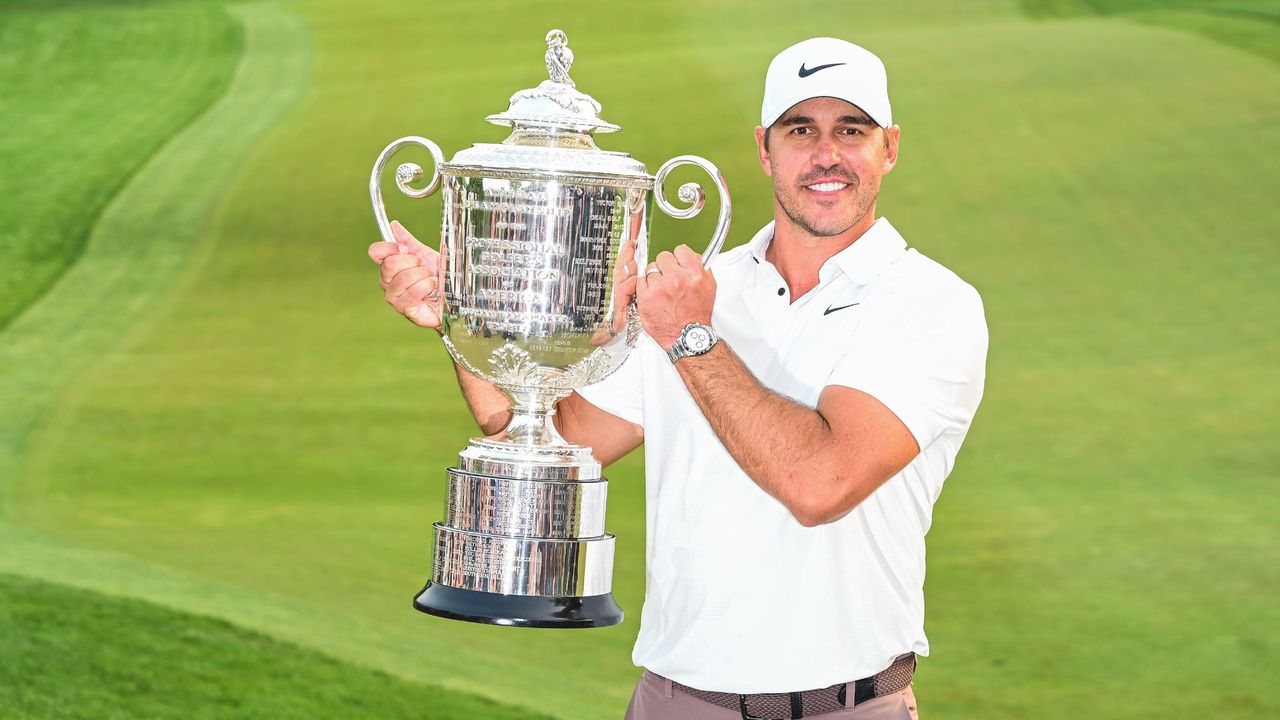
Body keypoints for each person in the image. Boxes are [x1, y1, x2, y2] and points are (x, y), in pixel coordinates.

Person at [370, 36, 987, 720]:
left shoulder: (929, 303)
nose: (826, 156)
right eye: (800, 130)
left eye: (852, 130)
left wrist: (691, 338)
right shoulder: (700, 289)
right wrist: (463, 321)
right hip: (674, 700)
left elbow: (820, 484)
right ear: (764, 148)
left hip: (839, 707)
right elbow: (553, 437)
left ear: (889, 147)